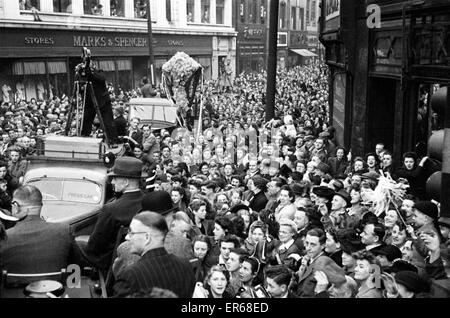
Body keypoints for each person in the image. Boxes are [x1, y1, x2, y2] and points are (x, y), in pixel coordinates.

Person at [0, 185, 84, 273]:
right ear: (41, 206)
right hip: (56, 285)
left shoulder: (4, 237)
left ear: (16, 206)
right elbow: (76, 269)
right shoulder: (64, 231)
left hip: (13, 286)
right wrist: (73, 286)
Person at [83, 157, 146, 272]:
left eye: (115, 178)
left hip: (114, 266)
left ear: (126, 182)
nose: (112, 182)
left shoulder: (111, 209)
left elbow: (94, 246)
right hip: (145, 262)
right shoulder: (148, 202)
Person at [113, 212, 195, 298]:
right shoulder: (185, 266)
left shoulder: (130, 276)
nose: (127, 237)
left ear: (147, 238)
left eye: (131, 233)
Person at [76, 59, 118, 146]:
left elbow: (102, 79)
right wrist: (80, 72)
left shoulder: (99, 72)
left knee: (108, 122)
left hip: (103, 102)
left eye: (88, 66)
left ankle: (112, 141)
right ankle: (84, 138)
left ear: (93, 67)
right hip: (89, 102)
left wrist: (91, 72)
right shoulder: (82, 74)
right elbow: (79, 87)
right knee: (86, 121)